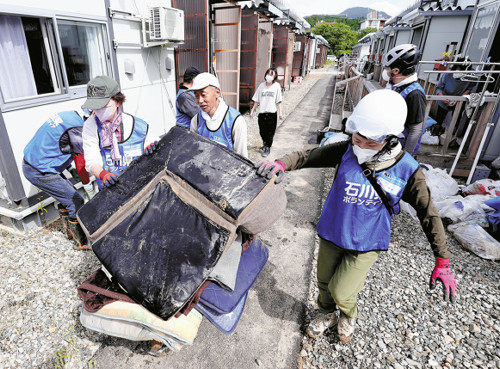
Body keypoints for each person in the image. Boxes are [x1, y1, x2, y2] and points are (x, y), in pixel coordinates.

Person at [255, 89, 457, 343]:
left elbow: (428, 213)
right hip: (333, 230)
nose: (359, 145)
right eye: (357, 138)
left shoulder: (407, 169)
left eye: (369, 143)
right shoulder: (347, 150)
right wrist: (282, 163)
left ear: (391, 139)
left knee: (342, 291)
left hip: (367, 241)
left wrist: (443, 260)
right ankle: (326, 313)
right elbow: (308, 156)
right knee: (325, 283)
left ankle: (348, 314)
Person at [23, 110, 94, 250]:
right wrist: (88, 187)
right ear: (92, 115)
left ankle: (69, 233)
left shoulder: (70, 115)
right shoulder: (78, 130)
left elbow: (60, 144)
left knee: (66, 195)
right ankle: (81, 243)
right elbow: (81, 164)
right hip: (40, 170)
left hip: (33, 162)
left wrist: (70, 169)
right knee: (75, 200)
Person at [82, 76, 156, 190]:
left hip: (139, 185)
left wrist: (151, 147)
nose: (99, 110)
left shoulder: (139, 126)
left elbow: (151, 143)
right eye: (95, 107)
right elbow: (91, 160)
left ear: (118, 101)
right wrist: (104, 174)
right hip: (110, 189)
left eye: (103, 105)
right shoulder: (90, 125)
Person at [188, 72, 248, 158]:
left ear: (217, 93)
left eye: (203, 94)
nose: (200, 101)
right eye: (196, 95)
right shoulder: (196, 121)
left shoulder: (236, 121)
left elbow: (242, 159)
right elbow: (194, 151)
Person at [382, 44, 426, 155]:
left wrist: (405, 155)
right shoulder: (394, 85)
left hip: (398, 146)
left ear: (396, 71)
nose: (385, 71)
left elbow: (415, 131)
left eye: (387, 69)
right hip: (387, 140)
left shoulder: (415, 94)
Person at [430, 59, 473, 137]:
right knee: (439, 119)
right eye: (457, 69)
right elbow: (439, 87)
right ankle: (435, 134)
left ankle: (451, 137)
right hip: (444, 97)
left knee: (456, 120)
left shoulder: (471, 75)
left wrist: (460, 98)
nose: (458, 72)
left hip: (459, 100)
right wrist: (442, 97)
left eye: (461, 70)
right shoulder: (447, 74)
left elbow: (469, 89)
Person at [250, 67, 283, 157]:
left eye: (271, 74)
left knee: (270, 132)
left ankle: (268, 147)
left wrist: (280, 113)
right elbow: (256, 100)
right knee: (262, 131)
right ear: (265, 75)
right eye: (268, 74)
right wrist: (252, 111)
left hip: (272, 113)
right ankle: (265, 143)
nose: (269, 76)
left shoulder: (276, 86)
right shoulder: (261, 86)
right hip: (262, 112)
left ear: (275, 76)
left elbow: (279, 101)